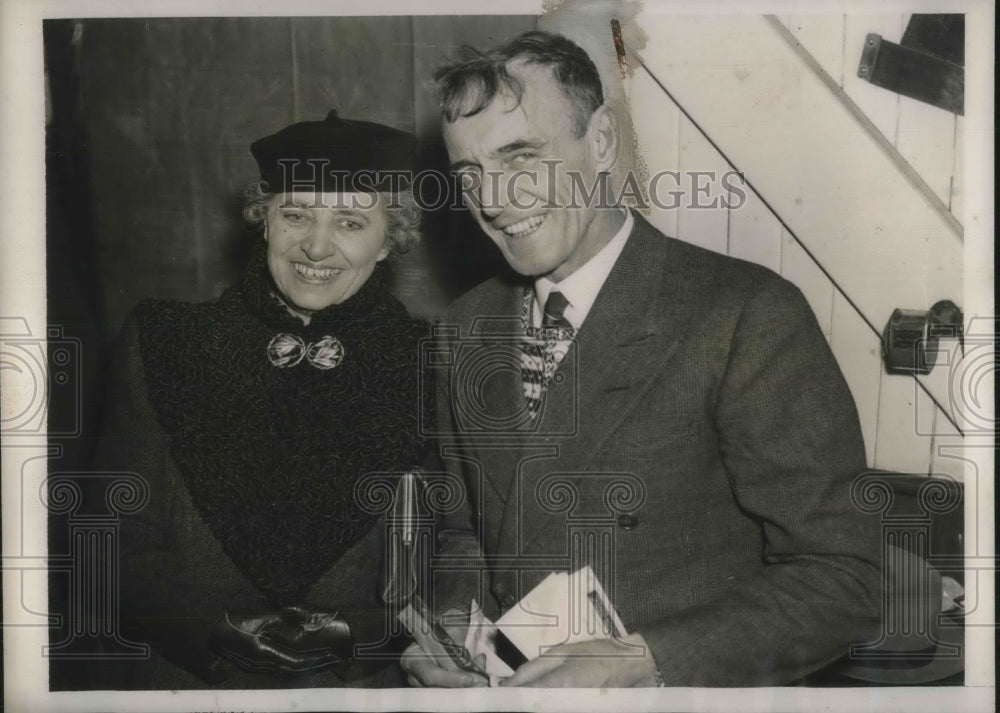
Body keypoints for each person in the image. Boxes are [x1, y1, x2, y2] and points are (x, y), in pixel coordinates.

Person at [401, 31, 883, 688]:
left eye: (521, 158)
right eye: (470, 173)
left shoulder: (746, 314)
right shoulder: (464, 329)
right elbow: (462, 531)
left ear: (601, 141)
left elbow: (843, 579)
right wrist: (453, 624)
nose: (493, 199)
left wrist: (644, 658)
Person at [94, 110, 427, 689]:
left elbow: (457, 553)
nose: (316, 247)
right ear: (264, 220)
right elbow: (108, 537)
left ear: (388, 241)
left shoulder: (428, 361)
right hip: (182, 683)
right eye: (296, 214)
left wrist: (364, 634)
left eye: (350, 223)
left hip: (358, 689)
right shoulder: (164, 342)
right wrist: (206, 632)